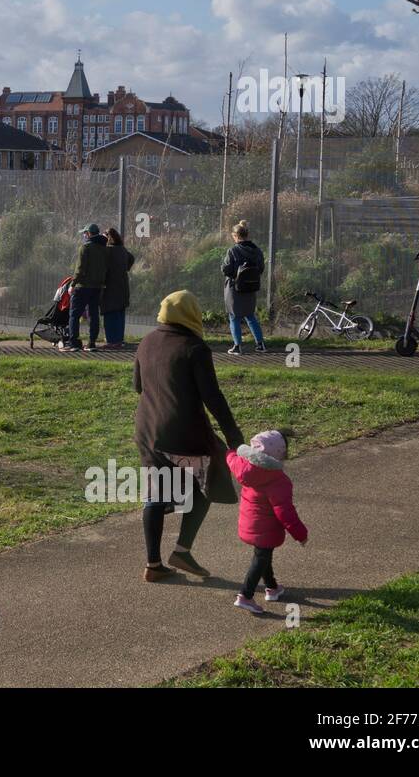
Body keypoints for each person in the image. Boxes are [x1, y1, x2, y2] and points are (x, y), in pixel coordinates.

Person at [133, 289, 243, 582]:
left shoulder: (146, 341)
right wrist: (234, 437)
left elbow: (137, 386)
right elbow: (213, 398)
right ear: (192, 314)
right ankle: (182, 550)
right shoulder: (195, 348)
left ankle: (153, 564)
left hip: (147, 430)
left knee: (156, 492)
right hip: (182, 432)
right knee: (212, 474)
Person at [226, 430, 308, 615]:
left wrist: (230, 451)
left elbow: (231, 457)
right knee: (261, 558)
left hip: (249, 523)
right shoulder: (278, 481)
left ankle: (272, 588)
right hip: (266, 528)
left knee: (263, 555)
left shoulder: (244, 466)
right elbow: (285, 512)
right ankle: (245, 596)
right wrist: (300, 534)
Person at [221, 219, 266, 355]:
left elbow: (226, 270)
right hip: (250, 287)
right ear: (247, 235)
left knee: (234, 316)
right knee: (250, 316)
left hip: (235, 288)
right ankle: (260, 345)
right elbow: (261, 268)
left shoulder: (233, 250)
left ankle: (237, 346)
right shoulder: (257, 250)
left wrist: (223, 267)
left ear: (236, 236)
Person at [65, 224, 107, 351]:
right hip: (97, 287)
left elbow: (80, 269)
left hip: (82, 286)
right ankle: (91, 343)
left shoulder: (85, 247)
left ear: (88, 233)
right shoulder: (104, 248)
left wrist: (72, 284)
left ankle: (74, 343)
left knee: (74, 314)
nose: (84, 235)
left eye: (85, 233)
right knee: (93, 314)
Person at [101, 227, 135, 348]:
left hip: (111, 286)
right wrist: (125, 267)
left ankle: (111, 341)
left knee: (110, 312)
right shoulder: (122, 249)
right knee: (120, 312)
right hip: (123, 285)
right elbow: (131, 258)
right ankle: (119, 340)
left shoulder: (107, 251)